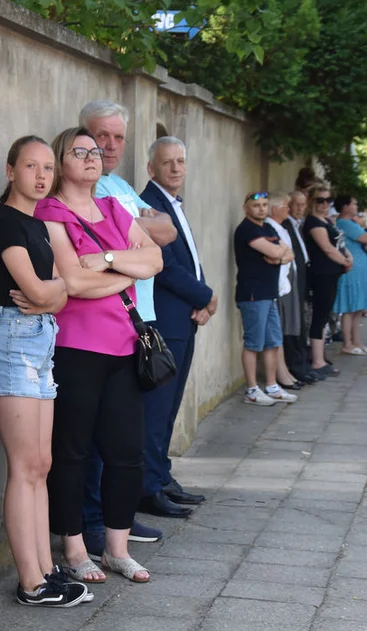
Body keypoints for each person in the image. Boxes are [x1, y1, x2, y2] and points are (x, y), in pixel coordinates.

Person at [34, 127, 163, 583]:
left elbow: (155, 261)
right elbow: (73, 282)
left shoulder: (112, 207)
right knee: (72, 452)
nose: (92, 157)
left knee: (126, 452)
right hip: (77, 347)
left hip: (125, 345)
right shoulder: (51, 211)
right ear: (60, 160)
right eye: (79, 151)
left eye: (95, 151)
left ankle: (116, 549)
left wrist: (109, 261)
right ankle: (72, 549)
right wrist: (128, 270)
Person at [0, 135, 89, 607]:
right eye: (31, 167)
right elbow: (39, 292)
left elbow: (59, 295)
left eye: (48, 168)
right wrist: (56, 290)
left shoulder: (38, 226)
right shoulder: (5, 224)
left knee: (41, 465)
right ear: (10, 171)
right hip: (12, 341)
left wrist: (55, 290)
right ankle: (31, 582)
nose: (42, 176)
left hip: (39, 339)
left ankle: (48, 569)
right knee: (24, 466)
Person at [78, 101, 183, 537]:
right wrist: (134, 235)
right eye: (102, 136)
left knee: (124, 430)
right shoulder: (86, 188)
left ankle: (115, 515)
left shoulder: (118, 183)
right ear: (82, 135)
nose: (109, 146)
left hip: (139, 318)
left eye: (118, 137)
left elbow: (167, 232)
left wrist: (136, 232)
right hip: (104, 317)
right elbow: (107, 255)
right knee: (95, 435)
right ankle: (92, 521)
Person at [137, 137, 216, 520]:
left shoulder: (172, 203)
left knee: (169, 408)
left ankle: (161, 475)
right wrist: (206, 295)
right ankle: (148, 487)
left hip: (183, 317)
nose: (175, 168)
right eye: (167, 162)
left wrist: (200, 300)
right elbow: (166, 265)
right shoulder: (149, 204)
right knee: (157, 407)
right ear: (151, 168)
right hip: (166, 319)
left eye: (181, 161)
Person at [233, 192, 298, 406]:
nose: (261, 209)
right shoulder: (246, 230)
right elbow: (274, 250)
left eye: (264, 205)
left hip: (269, 294)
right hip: (253, 295)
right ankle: (252, 390)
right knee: (254, 343)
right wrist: (277, 253)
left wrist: (277, 256)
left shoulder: (267, 228)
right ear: (246, 208)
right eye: (256, 205)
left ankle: (272, 386)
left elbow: (289, 253)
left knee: (273, 341)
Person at [302, 186, 347, 378]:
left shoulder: (327, 220)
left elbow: (339, 243)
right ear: (312, 201)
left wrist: (348, 258)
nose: (325, 204)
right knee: (319, 316)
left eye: (329, 200)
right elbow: (327, 248)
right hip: (321, 274)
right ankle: (317, 361)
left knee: (324, 315)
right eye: (321, 200)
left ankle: (319, 356)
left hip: (332, 273)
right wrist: (345, 262)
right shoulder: (313, 223)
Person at [266, 193, 305, 388]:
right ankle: (279, 375)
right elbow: (280, 255)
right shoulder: (270, 227)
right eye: (285, 206)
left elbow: (289, 254)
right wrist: (283, 256)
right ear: (275, 209)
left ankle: (284, 372)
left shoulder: (281, 228)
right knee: (277, 330)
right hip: (278, 283)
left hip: (286, 280)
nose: (288, 210)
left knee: (281, 329)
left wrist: (284, 255)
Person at [332, 197, 367, 354]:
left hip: (359, 269)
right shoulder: (344, 223)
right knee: (350, 307)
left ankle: (357, 342)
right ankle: (348, 343)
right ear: (345, 207)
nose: (356, 206)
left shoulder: (351, 223)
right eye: (354, 203)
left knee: (357, 308)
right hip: (352, 269)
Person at [282, 190, 319, 383]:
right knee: (293, 324)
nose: (299, 208)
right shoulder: (284, 225)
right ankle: (296, 365)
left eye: (303, 204)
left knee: (301, 322)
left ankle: (303, 363)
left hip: (302, 276)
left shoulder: (297, 225)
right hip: (290, 280)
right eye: (296, 204)